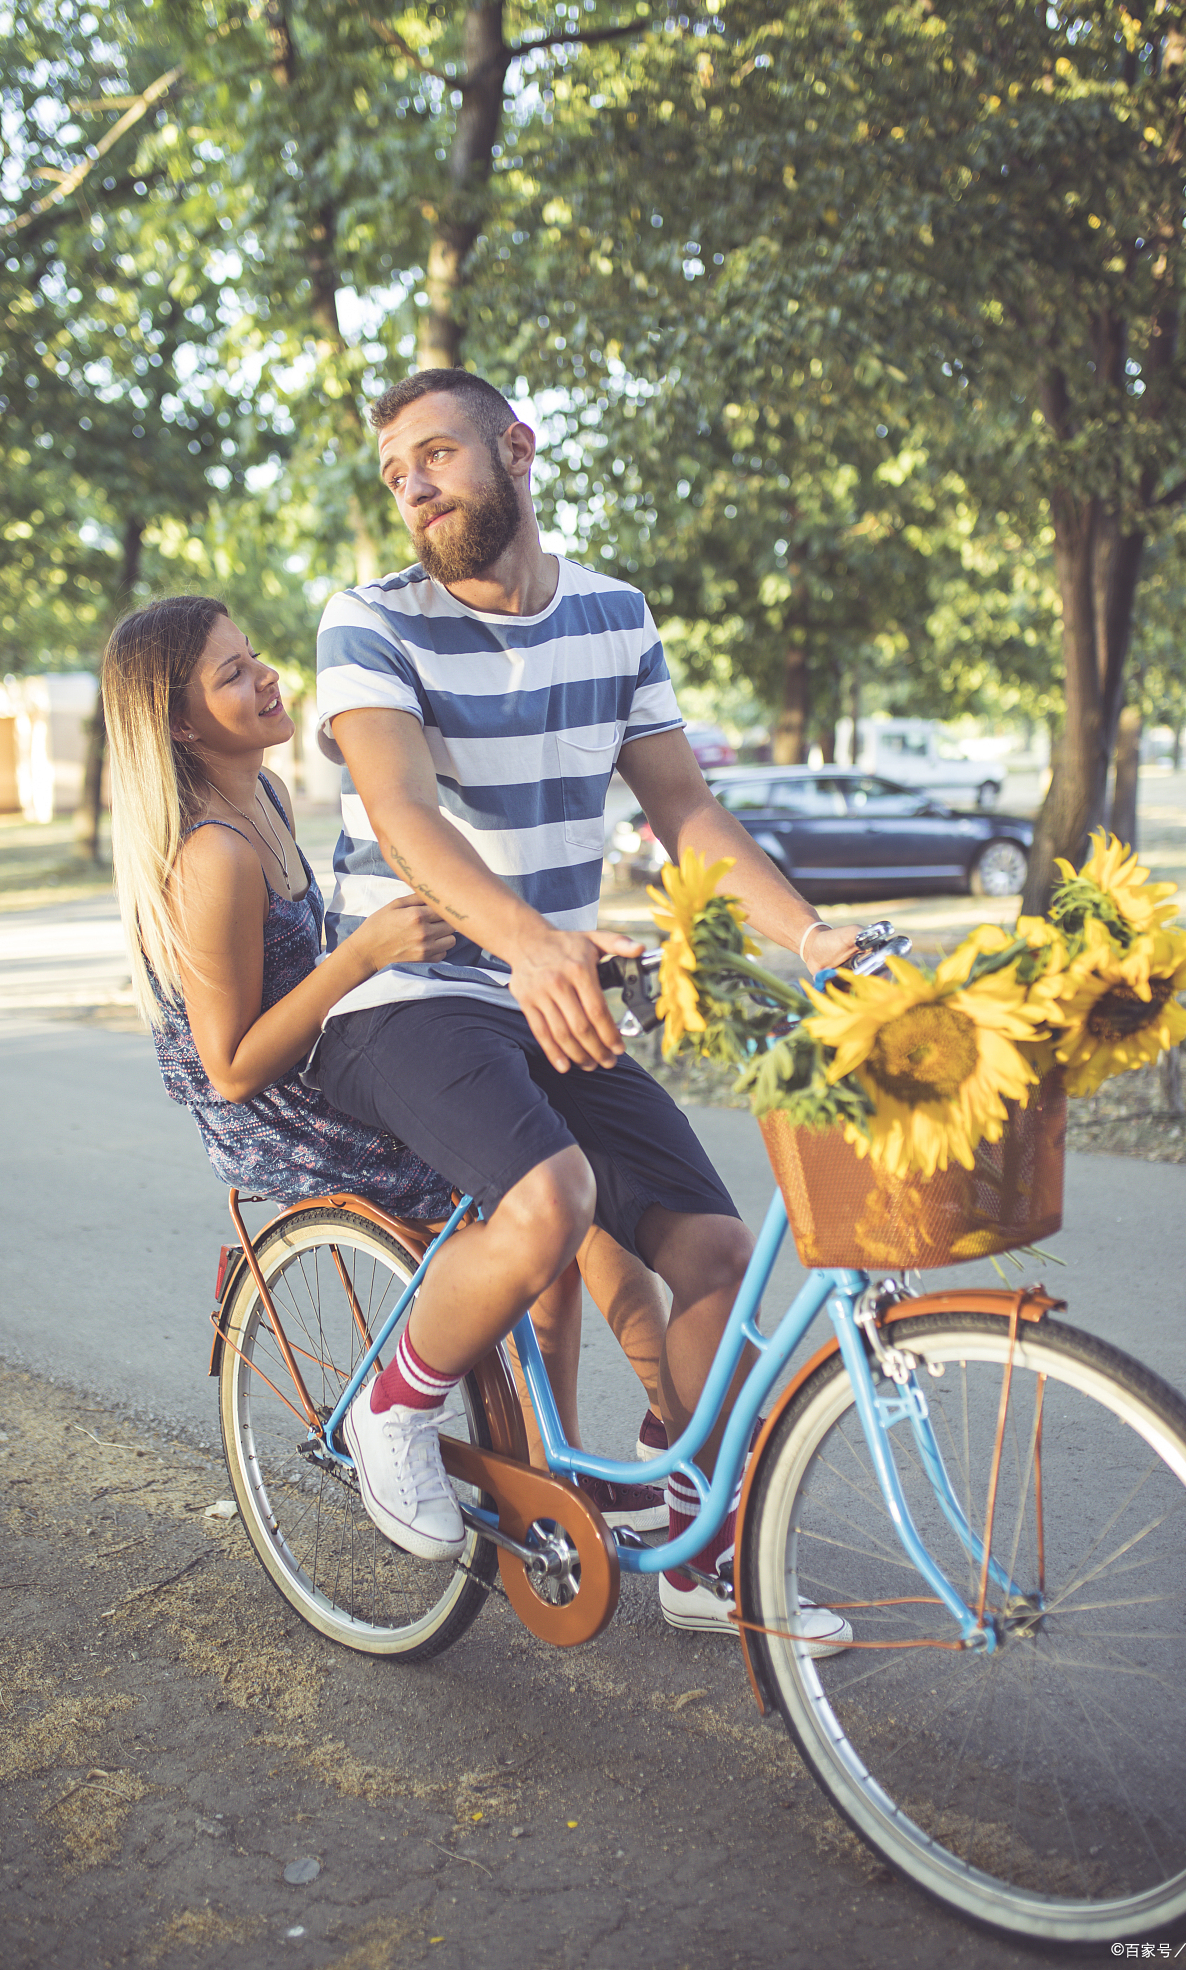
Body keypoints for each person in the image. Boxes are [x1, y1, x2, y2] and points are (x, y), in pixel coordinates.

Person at [310, 368, 859, 1643]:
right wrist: (532, 944)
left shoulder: (615, 614)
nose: (413, 488)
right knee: (551, 1201)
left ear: (517, 446)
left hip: (547, 989)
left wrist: (811, 934)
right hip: (406, 993)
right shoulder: (368, 619)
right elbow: (403, 814)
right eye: (395, 474)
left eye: (436, 455)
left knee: (716, 1253)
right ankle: (396, 1403)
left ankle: (694, 1541)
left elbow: (686, 810)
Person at [100, 593, 669, 1530]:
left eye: (254, 654)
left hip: (326, 1043)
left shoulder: (265, 796)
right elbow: (231, 1069)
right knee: (538, 1199)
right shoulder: (211, 855)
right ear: (181, 725)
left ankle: (551, 1470)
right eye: (232, 674)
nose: (266, 677)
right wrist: (362, 956)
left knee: (568, 1175)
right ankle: (413, 1420)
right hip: (278, 1107)